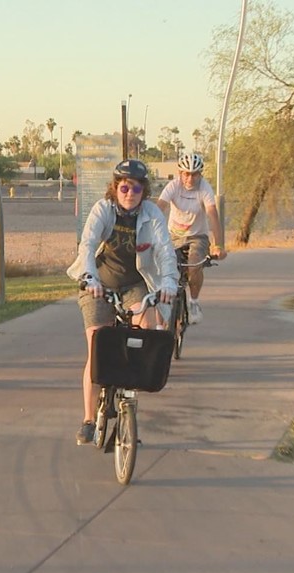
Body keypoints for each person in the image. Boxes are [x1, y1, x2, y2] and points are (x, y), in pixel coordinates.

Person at [67, 159, 179, 445]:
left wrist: (168, 283)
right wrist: (89, 277)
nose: (130, 193)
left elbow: (165, 251)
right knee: (97, 345)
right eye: (125, 187)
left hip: (135, 285)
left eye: (137, 188)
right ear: (115, 188)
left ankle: (129, 412)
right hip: (99, 285)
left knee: (146, 334)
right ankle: (89, 419)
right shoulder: (103, 209)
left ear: (144, 191)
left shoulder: (151, 213)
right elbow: (88, 245)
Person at [156, 152, 225, 326]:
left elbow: (213, 215)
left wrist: (219, 245)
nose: (190, 178)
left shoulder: (204, 188)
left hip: (197, 236)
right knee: (166, 267)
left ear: (200, 174)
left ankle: (194, 302)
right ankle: (165, 308)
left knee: (194, 264)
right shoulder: (173, 186)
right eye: (186, 174)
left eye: (194, 174)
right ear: (180, 173)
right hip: (173, 236)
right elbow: (158, 210)